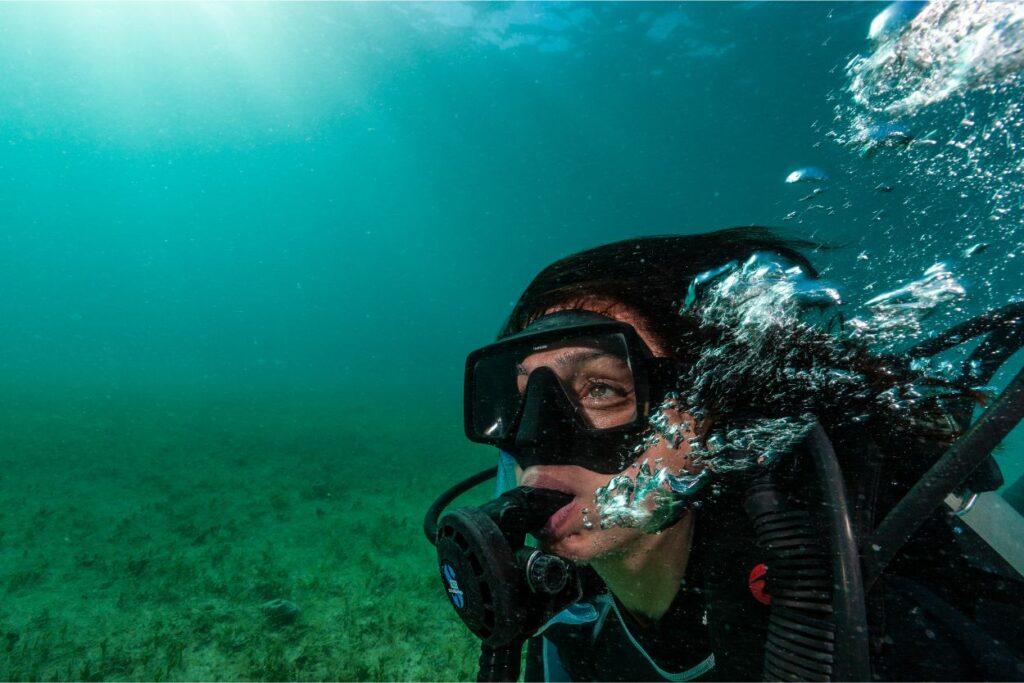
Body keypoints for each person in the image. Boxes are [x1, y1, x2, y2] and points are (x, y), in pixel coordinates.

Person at [460, 227, 1024, 681]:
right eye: (521, 399)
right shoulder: (569, 605)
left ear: (707, 409)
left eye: (602, 389)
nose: (539, 436)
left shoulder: (842, 612)